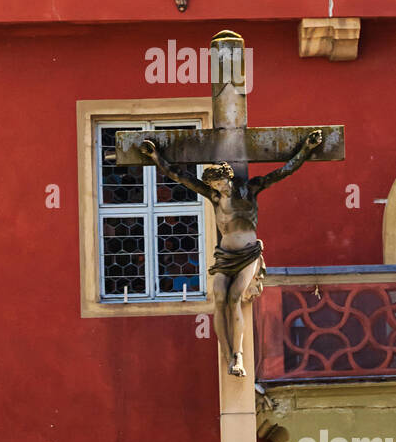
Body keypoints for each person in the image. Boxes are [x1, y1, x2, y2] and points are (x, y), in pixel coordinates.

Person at [138, 129, 324, 377]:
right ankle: (228, 356)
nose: (218, 188)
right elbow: (180, 176)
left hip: (248, 253)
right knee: (219, 298)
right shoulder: (214, 196)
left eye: (220, 183)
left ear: (229, 178)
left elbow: (283, 171)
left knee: (235, 297)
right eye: (213, 185)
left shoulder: (251, 188)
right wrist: (155, 157)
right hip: (224, 255)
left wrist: (306, 149)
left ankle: (239, 356)